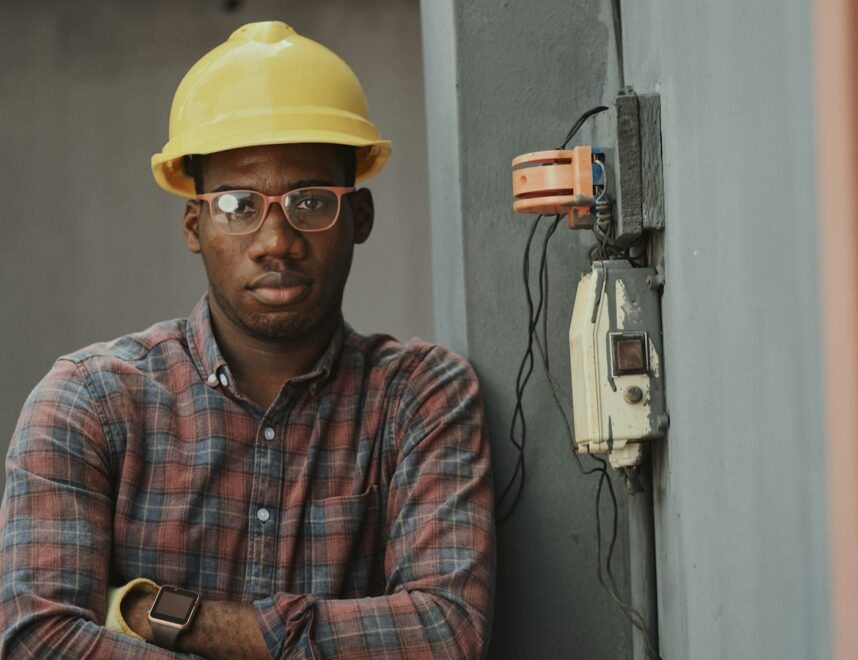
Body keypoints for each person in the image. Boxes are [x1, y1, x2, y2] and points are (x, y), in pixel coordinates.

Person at [0, 21, 494, 659]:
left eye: (311, 201)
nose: (276, 241)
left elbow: (446, 633)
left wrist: (166, 614)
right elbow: (40, 641)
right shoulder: (88, 402)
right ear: (194, 223)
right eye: (238, 205)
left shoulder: (420, 396)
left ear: (359, 218)